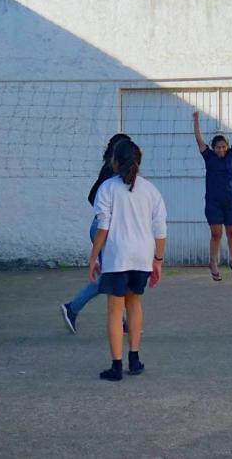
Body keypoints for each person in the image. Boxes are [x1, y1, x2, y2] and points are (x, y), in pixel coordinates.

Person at [88, 140, 167, 381]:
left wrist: (93, 257)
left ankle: (116, 366)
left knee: (115, 309)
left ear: (115, 161)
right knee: (134, 305)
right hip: (142, 255)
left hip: (117, 256)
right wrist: (158, 260)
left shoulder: (107, 188)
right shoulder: (151, 191)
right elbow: (160, 229)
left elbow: (103, 228)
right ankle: (134, 358)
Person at [61, 133, 131, 334]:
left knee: (118, 274)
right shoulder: (112, 172)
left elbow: (94, 196)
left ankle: (123, 320)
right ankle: (72, 308)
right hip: (102, 230)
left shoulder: (117, 172)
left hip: (106, 229)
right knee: (109, 277)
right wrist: (107, 213)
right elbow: (93, 197)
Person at [193, 105, 232, 281]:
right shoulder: (208, 157)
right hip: (213, 202)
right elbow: (199, 140)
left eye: (223, 147)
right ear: (213, 147)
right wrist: (196, 122)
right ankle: (214, 262)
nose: (221, 150)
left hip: (231, 202)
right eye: (218, 147)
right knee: (216, 233)